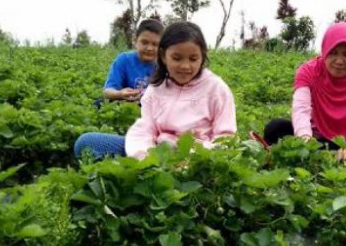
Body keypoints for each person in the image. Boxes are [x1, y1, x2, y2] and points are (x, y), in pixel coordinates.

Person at [75, 21, 237, 160]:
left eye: (193, 59)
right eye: (177, 58)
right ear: (164, 56)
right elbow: (146, 129)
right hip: (158, 154)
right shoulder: (156, 88)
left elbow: (226, 139)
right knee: (87, 142)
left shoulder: (217, 89)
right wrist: (145, 159)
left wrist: (194, 158)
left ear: (202, 57)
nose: (185, 66)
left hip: (198, 161)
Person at [263, 22, 346, 161]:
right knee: (275, 128)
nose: (340, 61)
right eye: (333, 53)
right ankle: (317, 155)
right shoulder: (308, 71)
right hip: (315, 137)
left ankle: (332, 156)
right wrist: (305, 139)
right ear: (325, 51)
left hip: (344, 142)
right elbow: (300, 108)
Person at [102, 18, 164, 102]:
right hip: (125, 105)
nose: (149, 48)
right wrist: (120, 94)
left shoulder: (164, 65)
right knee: (100, 103)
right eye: (144, 42)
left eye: (155, 44)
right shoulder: (124, 60)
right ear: (135, 41)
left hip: (152, 107)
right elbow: (107, 92)